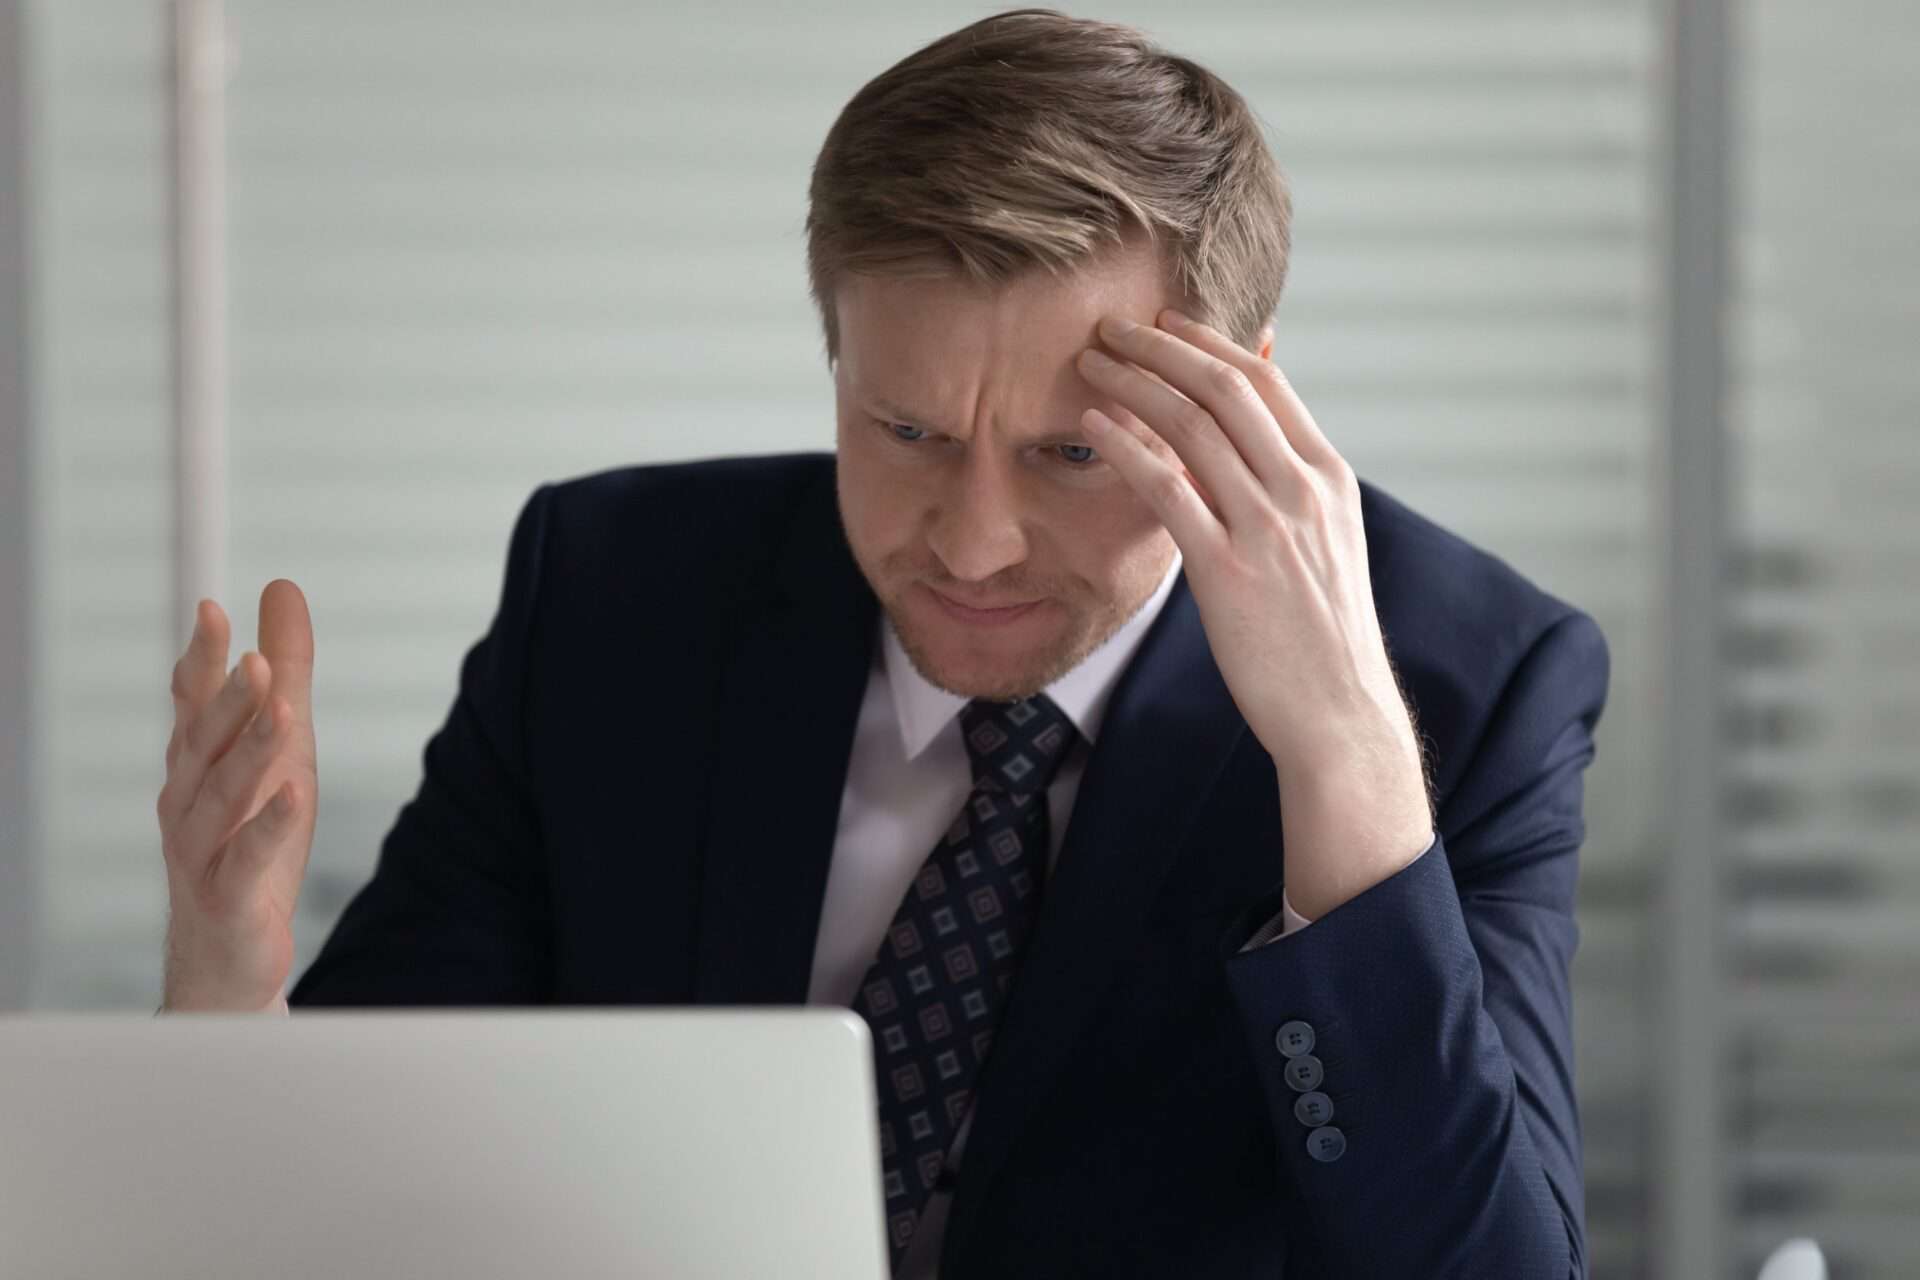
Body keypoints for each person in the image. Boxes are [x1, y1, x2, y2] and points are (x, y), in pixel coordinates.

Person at [153, 10, 1607, 1278]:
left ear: (1243, 406)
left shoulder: (1467, 688)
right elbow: (367, 1183)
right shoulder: (615, 599)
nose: (972, 543)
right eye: (905, 431)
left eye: (1071, 455)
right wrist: (231, 984)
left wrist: (1340, 750)